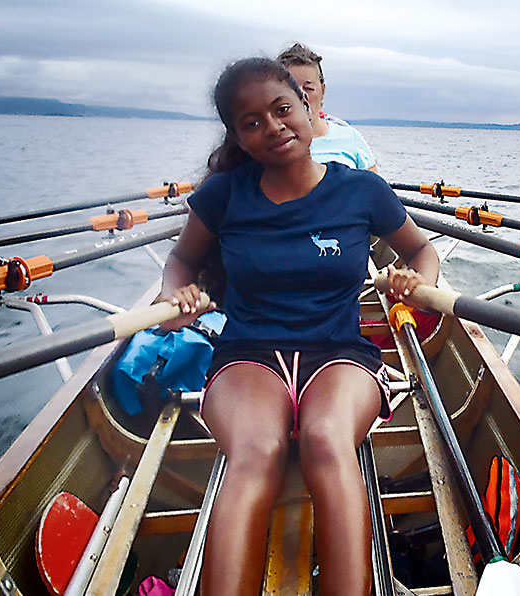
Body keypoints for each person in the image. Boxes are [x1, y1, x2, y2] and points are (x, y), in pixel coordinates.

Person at [159, 57, 439, 596]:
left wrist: (415, 282)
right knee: (256, 450)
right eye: (252, 122)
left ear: (309, 108)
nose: (273, 126)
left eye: (283, 108)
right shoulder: (222, 195)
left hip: (339, 353)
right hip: (247, 354)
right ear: (238, 137)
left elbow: (421, 249)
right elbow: (181, 262)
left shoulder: (362, 192)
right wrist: (177, 293)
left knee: (327, 440)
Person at [277, 42, 380, 173]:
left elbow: (375, 189)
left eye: (309, 89)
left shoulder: (350, 138)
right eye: (292, 88)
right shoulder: (271, 144)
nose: (301, 96)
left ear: (323, 90)